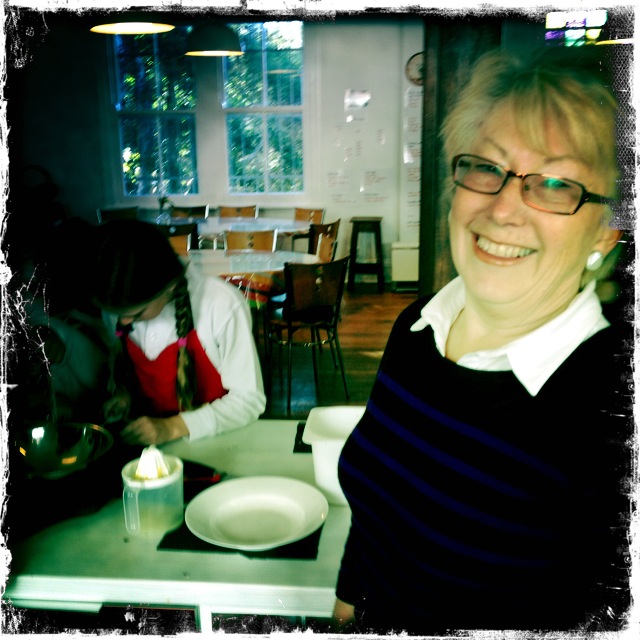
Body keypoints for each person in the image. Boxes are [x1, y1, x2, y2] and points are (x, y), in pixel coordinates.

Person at [332, 46, 633, 633]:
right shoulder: (417, 326)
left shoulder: (609, 414)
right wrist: (347, 605)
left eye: (555, 183)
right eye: (487, 168)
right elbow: (377, 512)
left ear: (605, 230)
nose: (502, 210)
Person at [92, 219, 266, 445]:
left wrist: (172, 427)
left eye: (137, 313)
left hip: (217, 440)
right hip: (149, 444)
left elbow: (249, 401)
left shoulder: (219, 304)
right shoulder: (116, 307)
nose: (123, 321)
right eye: (117, 314)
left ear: (170, 286)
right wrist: (124, 395)